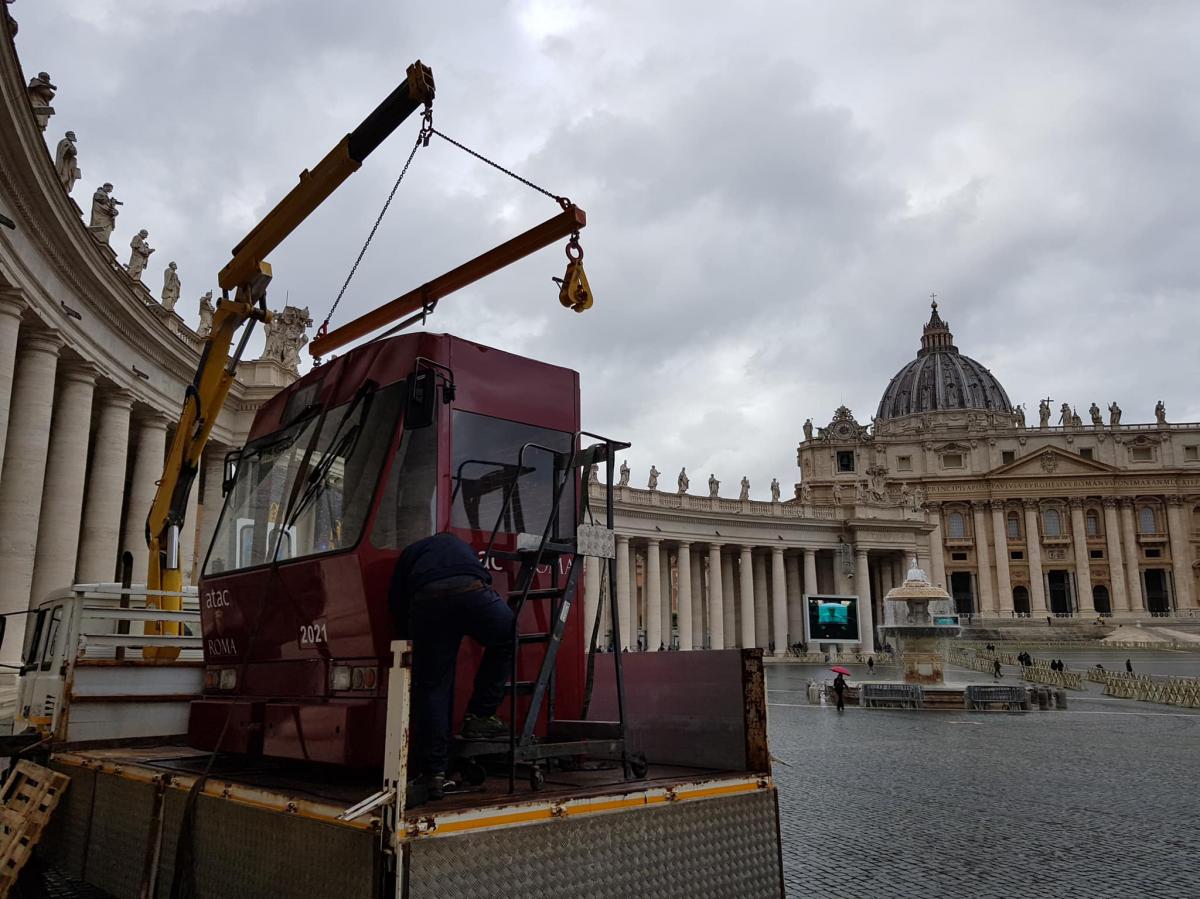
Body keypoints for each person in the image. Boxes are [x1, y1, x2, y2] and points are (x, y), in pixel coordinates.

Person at [389, 532, 515, 801]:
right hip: (472, 591)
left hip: (427, 600)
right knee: (506, 636)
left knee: (434, 687)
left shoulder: (411, 551)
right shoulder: (462, 547)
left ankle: (433, 774)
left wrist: (410, 637)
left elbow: (397, 600)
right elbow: (484, 580)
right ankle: (480, 715)